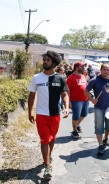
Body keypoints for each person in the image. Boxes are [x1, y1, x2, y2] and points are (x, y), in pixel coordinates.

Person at [28, 51, 69, 180]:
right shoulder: (36, 78)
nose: (45, 62)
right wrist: (29, 112)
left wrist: (67, 107)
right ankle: (47, 166)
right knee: (44, 139)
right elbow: (31, 95)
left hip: (55, 115)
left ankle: (48, 155)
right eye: (44, 59)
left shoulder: (60, 78)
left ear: (54, 63)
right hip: (41, 115)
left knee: (52, 138)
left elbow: (64, 94)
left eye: (48, 60)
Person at [84, 63, 109, 155]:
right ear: (101, 70)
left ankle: (105, 139)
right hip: (99, 107)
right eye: (104, 69)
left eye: (108, 69)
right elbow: (86, 91)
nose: (106, 71)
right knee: (99, 127)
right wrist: (92, 99)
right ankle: (100, 145)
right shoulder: (95, 80)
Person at [66, 61, 89, 139]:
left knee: (84, 114)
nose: (83, 68)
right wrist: (68, 102)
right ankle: (74, 130)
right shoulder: (70, 78)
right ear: (76, 68)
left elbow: (86, 87)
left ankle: (76, 125)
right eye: (82, 67)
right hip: (76, 100)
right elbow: (67, 91)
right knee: (76, 116)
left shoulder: (83, 76)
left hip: (85, 99)